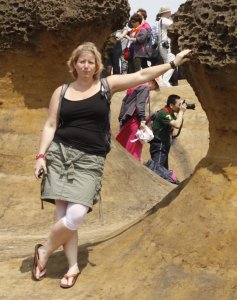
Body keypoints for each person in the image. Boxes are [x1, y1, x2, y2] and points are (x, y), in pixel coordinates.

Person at [32, 42, 191, 288]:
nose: (86, 66)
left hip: (91, 159)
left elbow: (140, 75)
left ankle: (44, 251)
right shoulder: (61, 91)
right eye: (81, 61)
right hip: (60, 155)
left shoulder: (106, 86)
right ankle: (72, 266)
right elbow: (51, 125)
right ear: (74, 64)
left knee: (75, 215)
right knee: (62, 215)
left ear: (97, 65)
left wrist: (172, 63)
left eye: (90, 62)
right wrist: (41, 156)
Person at [116, 78, 160, 161]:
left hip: (128, 119)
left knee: (123, 143)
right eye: (155, 86)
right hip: (134, 120)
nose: (154, 89)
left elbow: (125, 102)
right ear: (153, 82)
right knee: (134, 146)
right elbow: (140, 105)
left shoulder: (137, 86)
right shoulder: (145, 88)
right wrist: (142, 121)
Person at [149, 94, 186, 171]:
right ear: (171, 105)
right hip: (159, 145)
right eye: (179, 104)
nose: (180, 106)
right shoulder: (163, 113)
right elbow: (177, 125)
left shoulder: (171, 115)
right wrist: (181, 112)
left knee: (163, 171)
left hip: (164, 146)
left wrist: (180, 114)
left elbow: (174, 133)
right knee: (157, 170)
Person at [157, 6, 176, 87]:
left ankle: (163, 81)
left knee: (167, 63)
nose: (170, 13)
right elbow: (174, 26)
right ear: (166, 12)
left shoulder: (161, 20)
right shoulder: (164, 20)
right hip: (165, 45)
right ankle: (163, 82)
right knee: (173, 62)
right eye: (169, 12)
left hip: (163, 44)